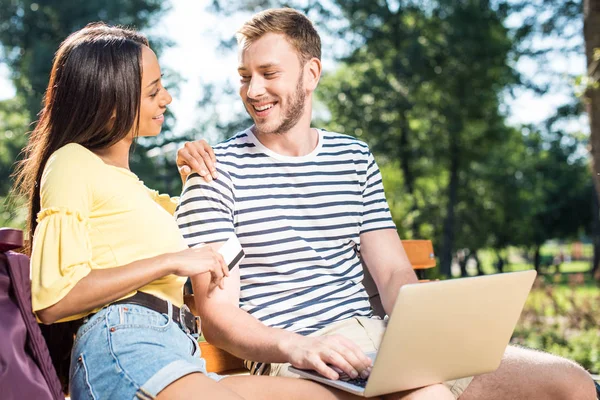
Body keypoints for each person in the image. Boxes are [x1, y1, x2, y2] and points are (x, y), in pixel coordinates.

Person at [175, 8, 598, 400]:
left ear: (311, 73)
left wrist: (425, 327)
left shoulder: (354, 157)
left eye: (269, 73)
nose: (253, 90)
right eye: (245, 75)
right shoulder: (214, 171)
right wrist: (299, 347)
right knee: (429, 396)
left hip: (385, 340)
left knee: (573, 384)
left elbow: (393, 270)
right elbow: (218, 315)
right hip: (303, 360)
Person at [13, 22, 379, 400]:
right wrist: (171, 261)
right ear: (111, 101)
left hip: (178, 353)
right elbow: (54, 299)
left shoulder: (133, 188)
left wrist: (191, 178)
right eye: (153, 91)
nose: (167, 98)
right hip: (125, 344)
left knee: (340, 395)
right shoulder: (72, 161)